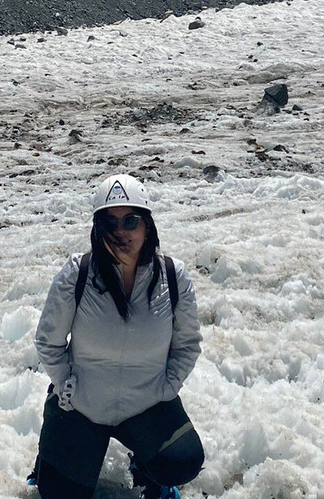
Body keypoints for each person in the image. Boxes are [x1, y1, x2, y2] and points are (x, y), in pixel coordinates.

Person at [32, 174, 204, 499]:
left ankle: (147, 469)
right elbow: (48, 341)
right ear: (97, 229)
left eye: (131, 221)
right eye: (110, 223)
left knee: (182, 461)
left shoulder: (173, 277)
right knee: (60, 494)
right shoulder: (78, 274)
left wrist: (168, 387)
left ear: (147, 225)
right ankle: (50, 458)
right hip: (84, 406)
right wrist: (67, 385)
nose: (121, 231)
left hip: (146, 404)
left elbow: (187, 344)